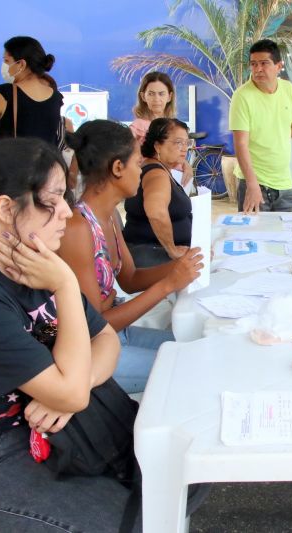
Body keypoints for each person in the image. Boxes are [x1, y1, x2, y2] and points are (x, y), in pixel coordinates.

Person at [0, 137, 139, 531]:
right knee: (133, 520)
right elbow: (72, 386)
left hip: (50, 426)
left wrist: (74, 389)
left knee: (165, 481)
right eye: (53, 199)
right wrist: (67, 286)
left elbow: (105, 340)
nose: (68, 212)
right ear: (5, 208)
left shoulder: (30, 261)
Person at [59, 119, 203, 393]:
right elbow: (95, 325)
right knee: (187, 368)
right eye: (137, 163)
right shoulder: (77, 227)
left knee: (195, 345)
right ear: (117, 168)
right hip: (92, 352)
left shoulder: (110, 215)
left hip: (115, 334)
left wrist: (182, 266)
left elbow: (131, 279)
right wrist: (168, 284)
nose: (142, 171)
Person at [230, 39, 292, 213]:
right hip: (255, 183)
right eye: (254, 64)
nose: (258, 69)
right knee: (253, 237)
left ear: (279, 66)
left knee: (290, 237)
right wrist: (251, 184)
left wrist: (275, 140)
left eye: (264, 63)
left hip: (284, 182)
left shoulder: (288, 89)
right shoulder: (242, 96)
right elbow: (240, 144)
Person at [123, 117, 194, 268]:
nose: (185, 148)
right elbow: (156, 212)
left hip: (150, 250)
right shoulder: (157, 174)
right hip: (149, 254)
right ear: (157, 146)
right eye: (178, 143)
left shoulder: (160, 169)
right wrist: (172, 250)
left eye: (187, 143)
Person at [0, 36, 64, 148]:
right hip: (47, 163)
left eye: (6, 61)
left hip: (14, 163)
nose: (4, 65)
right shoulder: (56, 97)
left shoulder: (4, 93)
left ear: (21, 64)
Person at [129, 71, 193, 190]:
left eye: (161, 94)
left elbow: (179, 155)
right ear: (143, 96)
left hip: (178, 182)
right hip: (151, 183)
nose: (156, 99)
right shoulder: (137, 127)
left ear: (169, 96)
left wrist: (186, 164)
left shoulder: (176, 126)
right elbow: (128, 158)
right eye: (151, 94)